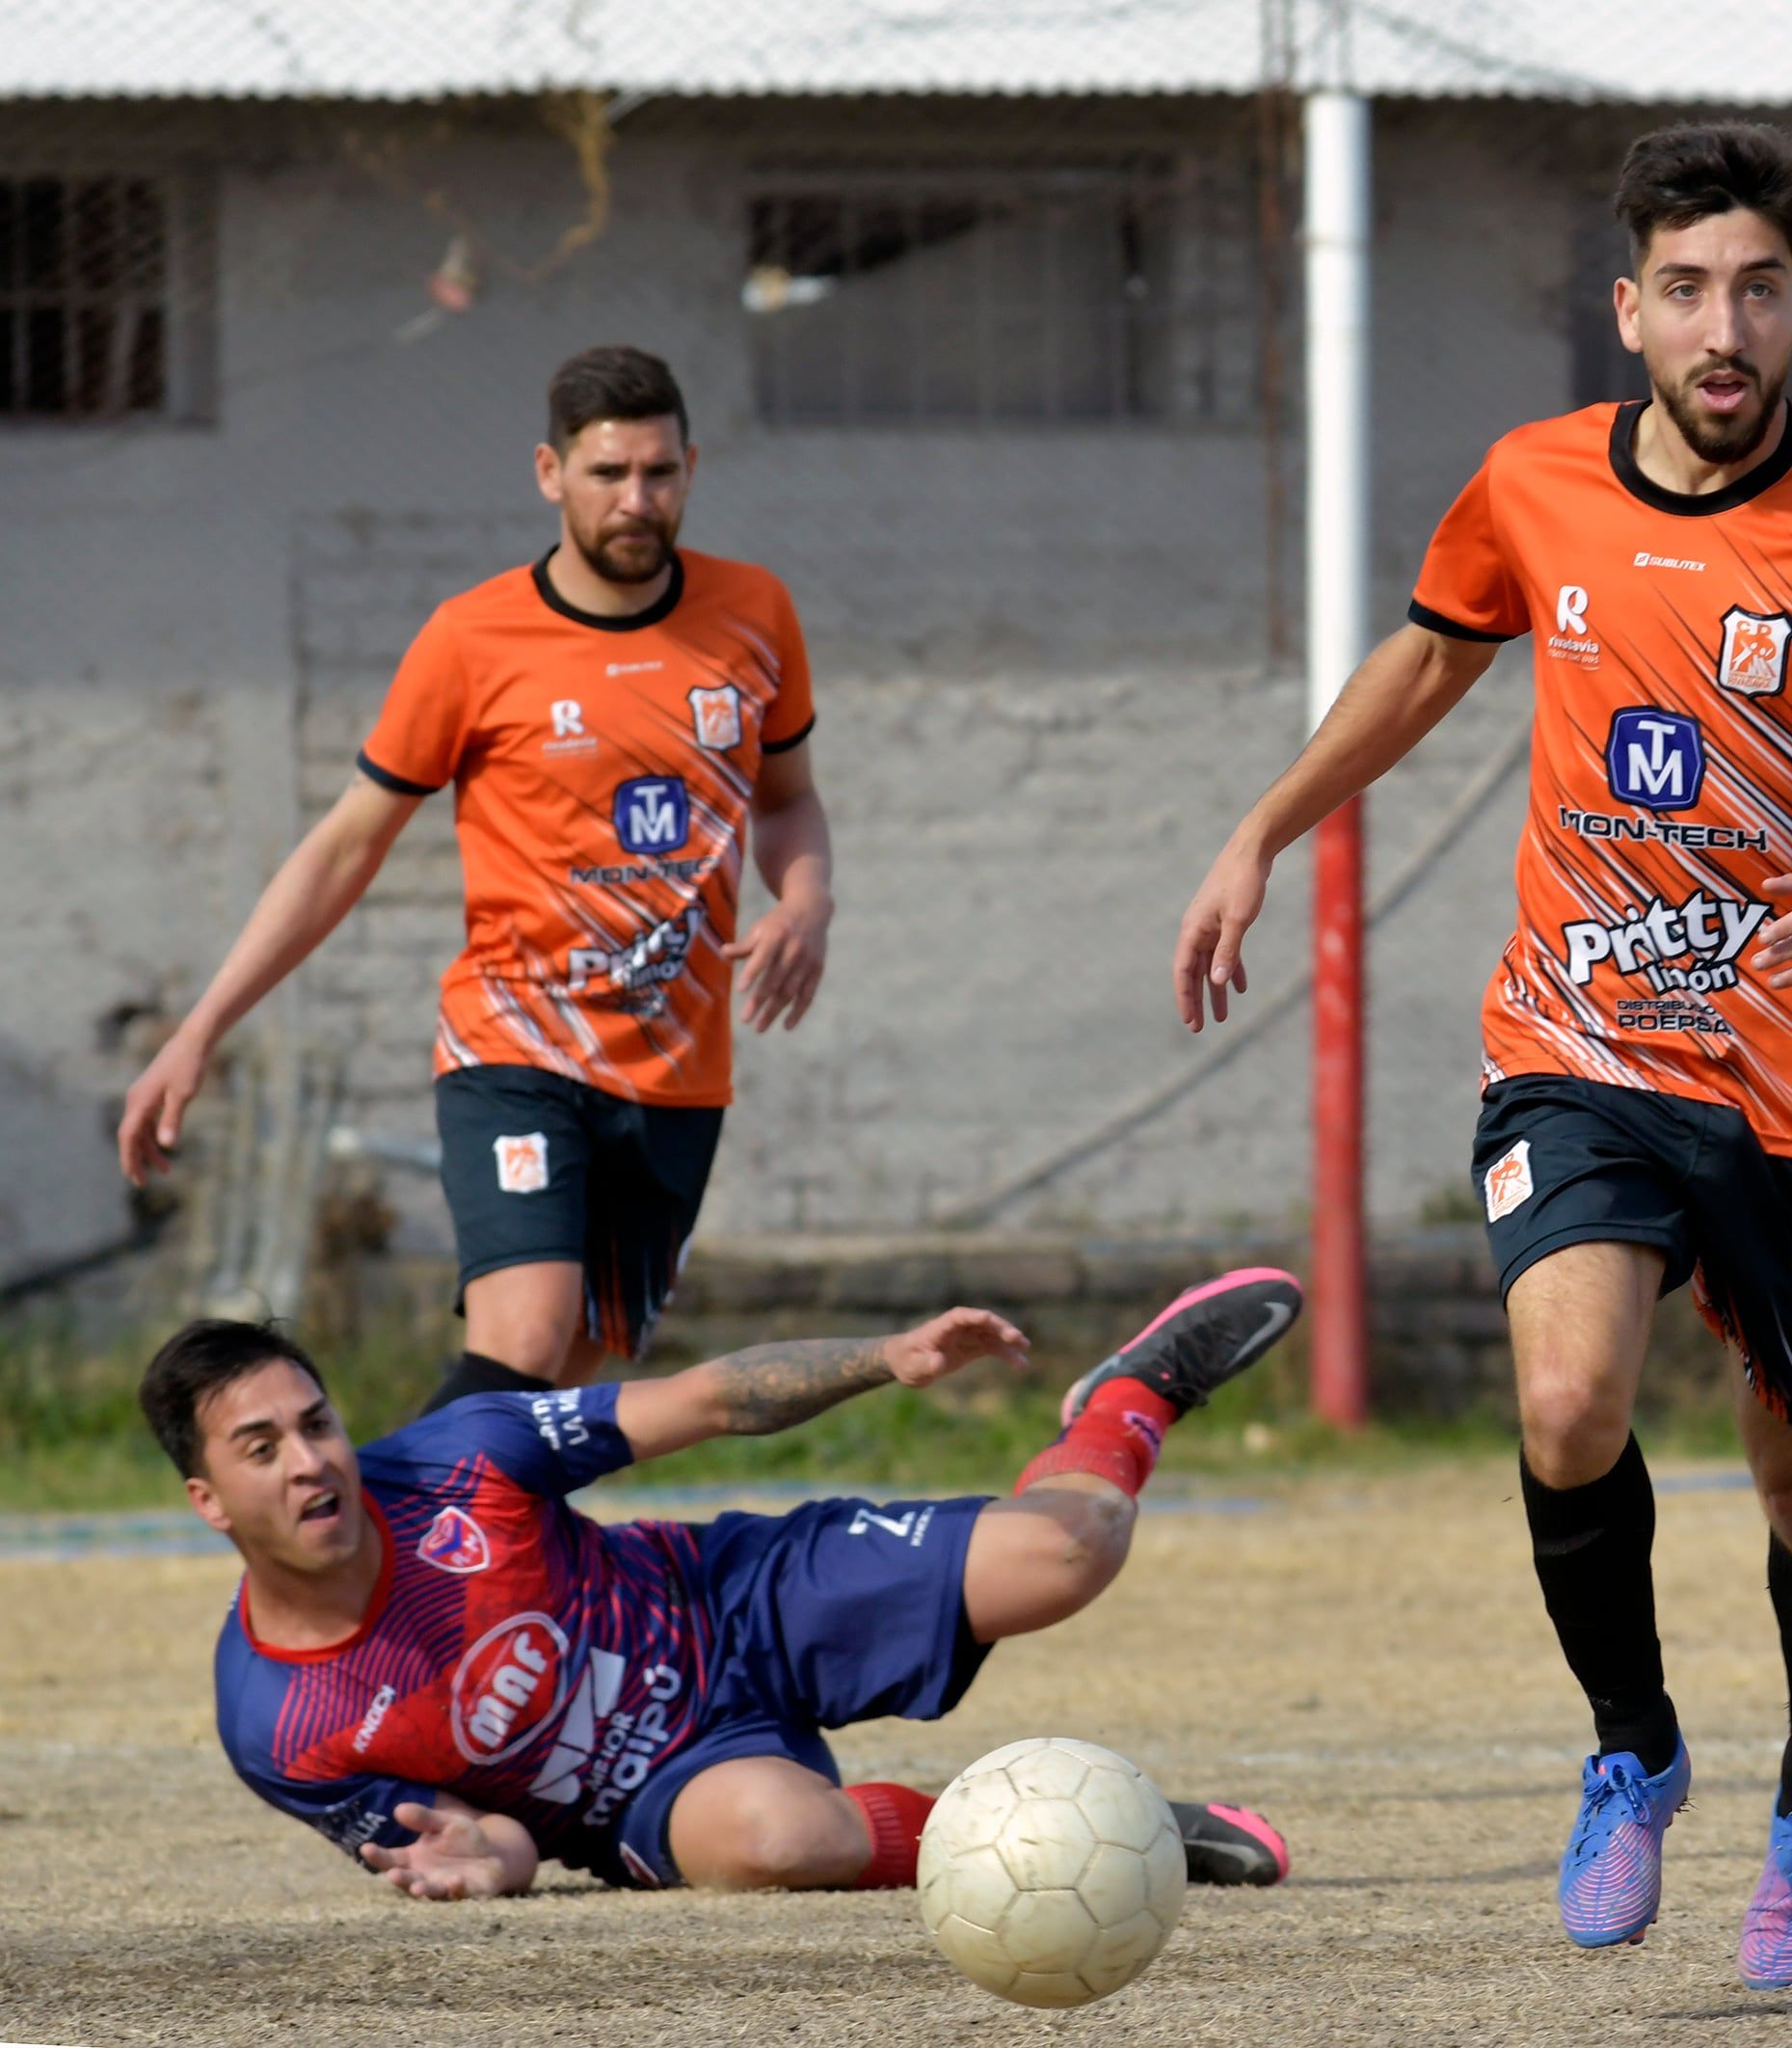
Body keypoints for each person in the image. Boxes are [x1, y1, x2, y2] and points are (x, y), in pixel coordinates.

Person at [1170, 123, 1792, 1986]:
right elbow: (1420, 661)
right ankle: (1632, 1743)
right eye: (1690, 290)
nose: (1726, 326)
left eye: (1761, 289)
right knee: (1566, 1405)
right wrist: (1264, 827)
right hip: (1578, 1034)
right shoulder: (1533, 482)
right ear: (1629, 307)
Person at [118, 345, 836, 1409]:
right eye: (606, 475)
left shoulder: (755, 612)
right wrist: (200, 1029)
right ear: (550, 474)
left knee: (557, 1405)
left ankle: (451, 1566)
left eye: (657, 473)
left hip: (679, 1074)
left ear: (690, 466)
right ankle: (365, 1548)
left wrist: (807, 902)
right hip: (516, 1046)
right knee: (527, 1335)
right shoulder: (472, 638)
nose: (635, 501)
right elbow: (344, 846)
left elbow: (785, 801)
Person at [148, 1268, 1306, 1895]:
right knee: (778, 1844)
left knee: (1068, 1554)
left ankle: (1126, 1404)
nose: (311, 1463)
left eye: (317, 1424)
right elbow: (471, 1840)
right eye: (263, 1449)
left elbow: (704, 1400)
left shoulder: (456, 1459)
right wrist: (492, 1862)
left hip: (730, 1598)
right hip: (656, 1795)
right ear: (207, 1500)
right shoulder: (277, 1727)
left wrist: (881, 1359)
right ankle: (1108, 1835)